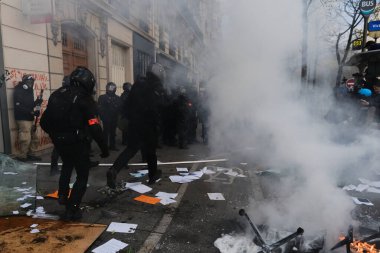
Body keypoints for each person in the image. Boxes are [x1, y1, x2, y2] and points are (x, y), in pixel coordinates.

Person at [40, 66, 109, 220]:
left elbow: (44, 121)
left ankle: (63, 196)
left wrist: (55, 136)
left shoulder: (57, 94)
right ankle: (72, 209)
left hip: (60, 142)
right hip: (77, 142)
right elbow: (95, 127)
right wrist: (104, 148)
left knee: (66, 166)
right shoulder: (86, 99)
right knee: (82, 175)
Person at [106, 63, 166, 188]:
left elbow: (127, 104)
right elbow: (158, 108)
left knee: (131, 149)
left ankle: (113, 170)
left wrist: (128, 118)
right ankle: (152, 175)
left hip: (134, 123)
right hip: (148, 125)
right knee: (150, 151)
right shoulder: (156, 87)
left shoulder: (138, 84)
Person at [13, 74, 42, 162]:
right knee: (25, 138)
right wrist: (31, 112)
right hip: (22, 118)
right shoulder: (18, 90)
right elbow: (18, 106)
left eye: (32, 82)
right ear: (24, 82)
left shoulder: (29, 91)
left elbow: (30, 105)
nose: (30, 83)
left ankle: (31, 154)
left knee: (35, 137)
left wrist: (37, 102)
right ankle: (22, 156)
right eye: (29, 82)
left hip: (30, 117)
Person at [98, 82, 122, 151]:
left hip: (114, 117)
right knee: (105, 133)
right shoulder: (102, 97)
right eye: (110, 87)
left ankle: (112, 146)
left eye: (112, 87)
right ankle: (104, 147)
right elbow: (100, 108)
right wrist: (102, 117)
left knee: (113, 133)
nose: (111, 89)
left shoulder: (117, 98)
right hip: (106, 118)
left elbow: (120, 107)